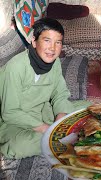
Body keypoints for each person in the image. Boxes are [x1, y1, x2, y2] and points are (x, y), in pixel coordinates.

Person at [0, 18, 90, 159]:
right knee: (21, 145)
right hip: (14, 121)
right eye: (47, 40)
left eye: (58, 42)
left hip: (42, 110)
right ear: (34, 42)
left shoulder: (54, 63)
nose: (52, 48)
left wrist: (60, 119)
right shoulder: (16, 67)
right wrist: (46, 129)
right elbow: (9, 112)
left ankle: (60, 139)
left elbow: (59, 93)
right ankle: (67, 141)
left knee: (90, 109)